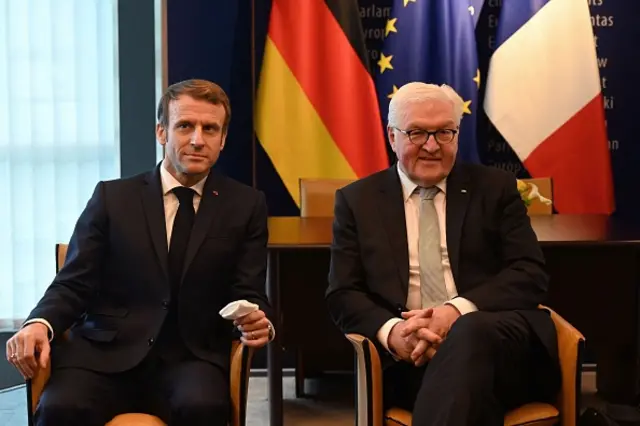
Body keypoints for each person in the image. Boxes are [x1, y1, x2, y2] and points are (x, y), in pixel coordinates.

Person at [5, 79, 274, 426]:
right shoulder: (112, 198)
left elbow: (249, 291)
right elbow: (73, 283)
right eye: (184, 126)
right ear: (161, 132)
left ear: (222, 140)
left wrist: (259, 320)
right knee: (61, 409)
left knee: (205, 410)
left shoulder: (246, 206)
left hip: (190, 359)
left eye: (210, 129)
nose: (197, 139)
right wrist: (39, 323)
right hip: (102, 356)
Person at [325, 82, 560, 425]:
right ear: (392, 137)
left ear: (457, 134)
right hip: (410, 358)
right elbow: (342, 292)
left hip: (499, 347)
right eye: (417, 133)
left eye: (444, 133)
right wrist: (394, 333)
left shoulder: (495, 189)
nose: (432, 146)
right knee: (470, 396)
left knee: (469, 332)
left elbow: (529, 273)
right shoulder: (357, 201)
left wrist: (455, 312)